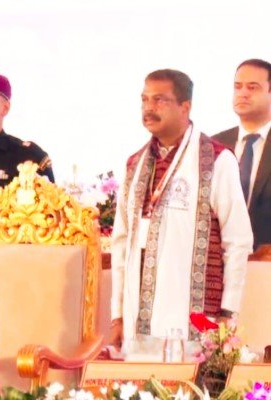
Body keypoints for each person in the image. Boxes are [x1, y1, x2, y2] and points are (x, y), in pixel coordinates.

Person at [109, 69, 253, 359]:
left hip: (197, 325)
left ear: (185, 107)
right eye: (144, 99)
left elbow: (238, 241)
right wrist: (117, 316)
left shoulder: (216, 160)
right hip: (138, 327)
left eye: (159, 100)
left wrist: (228, 314)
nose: (149, 108)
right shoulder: (135, 164)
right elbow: (121, 243)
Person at [213, 59, 271, 251]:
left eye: (252, 87)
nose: (243, 93)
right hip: (219, 259)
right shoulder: (213, 146)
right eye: (238, 87)